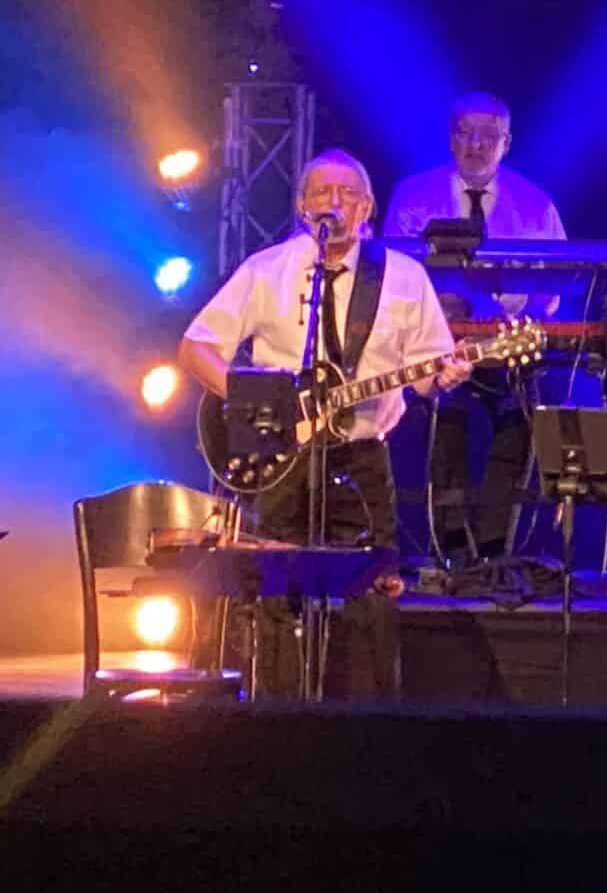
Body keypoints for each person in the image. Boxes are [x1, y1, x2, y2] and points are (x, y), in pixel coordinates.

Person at [178, 149, 467, 699]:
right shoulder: (267, 269)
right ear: (302, 205)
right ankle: (276, 715)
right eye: (322, 193)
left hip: (362, 457)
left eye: (348, 193)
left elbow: (430, 372)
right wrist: (253, 402)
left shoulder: (403, 277)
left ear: (368, 208)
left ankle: (366, 723)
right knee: (273, 594)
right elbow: (196, 348)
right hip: (281, 458)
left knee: (372, 594)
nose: (334, 203)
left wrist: (444, 377)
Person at [384, 92, 568, 563]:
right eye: (466, 133)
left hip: (507, 346)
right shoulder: (413, 196)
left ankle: (492, 546)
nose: (477, 145)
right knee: (447, 419)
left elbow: (556, 282)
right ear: (451, 139)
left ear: (507, 143)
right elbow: (394, 273)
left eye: (489, 135)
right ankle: (451, 547)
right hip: (434, 344)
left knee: (521, 419)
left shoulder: (536, 205)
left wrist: (525, 319)